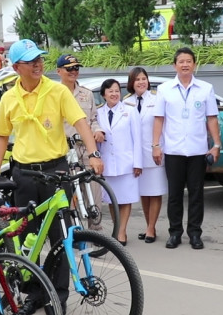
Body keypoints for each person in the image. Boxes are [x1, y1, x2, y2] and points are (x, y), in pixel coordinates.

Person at [0, 38, 103, 314]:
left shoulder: (57, 91)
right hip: (23, 174)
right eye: (31, 61)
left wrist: (93, 154)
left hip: (56, 172)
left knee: (59, 237)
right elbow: (2, 136)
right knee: (28, 238)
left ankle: (58, 298)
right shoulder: (8, 98)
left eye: (40, 59)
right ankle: (35, 293)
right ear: (17, 67)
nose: (39, 64)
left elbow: (80, 122)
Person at [152, 47, 221, 250]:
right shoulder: (164, 89)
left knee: (196, 194)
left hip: (198, 150)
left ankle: (195, 233)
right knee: (174, 195)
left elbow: (211, 119)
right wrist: (155, 145)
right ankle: (174, 233)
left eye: (188, 61)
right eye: (181, 61)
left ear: (194, 64)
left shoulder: (206, 88)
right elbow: (158, 119)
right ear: (175, 65)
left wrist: (216, 145)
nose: (185, 64)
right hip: (173, 150)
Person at [56, 53, 105, 231]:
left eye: (76, 68)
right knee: (68, 192)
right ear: (59, 71)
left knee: (94, 188)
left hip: (85, 147)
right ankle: (71, 231)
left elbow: (92, 119)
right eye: (69, 69)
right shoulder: (54, 94)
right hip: (65, 149)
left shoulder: (87, 93)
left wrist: (98, 130)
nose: (74, 71)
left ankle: (96, 231)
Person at [124, 67, 166, 244]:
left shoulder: (156, 100)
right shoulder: (126, 102)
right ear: (131, 83)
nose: (141, 82)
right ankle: (149, 225)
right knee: (144, 192)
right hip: (136, 156)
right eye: (137, 79)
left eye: (144, 79)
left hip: (154, 152)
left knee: (155, 191)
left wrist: (158, 146)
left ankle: (151, 228)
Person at [96, 79, 141, 245]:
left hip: (126, 163)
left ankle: (122, 232)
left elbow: (137, 139)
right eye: (110, 91)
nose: (114, 94)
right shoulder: (98, 113)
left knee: (125, 198)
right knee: (112, 199)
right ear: (103, 95)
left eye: (116, 91)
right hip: (107, 163)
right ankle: (116, 229)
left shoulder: (130, 111)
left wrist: (138, 163)